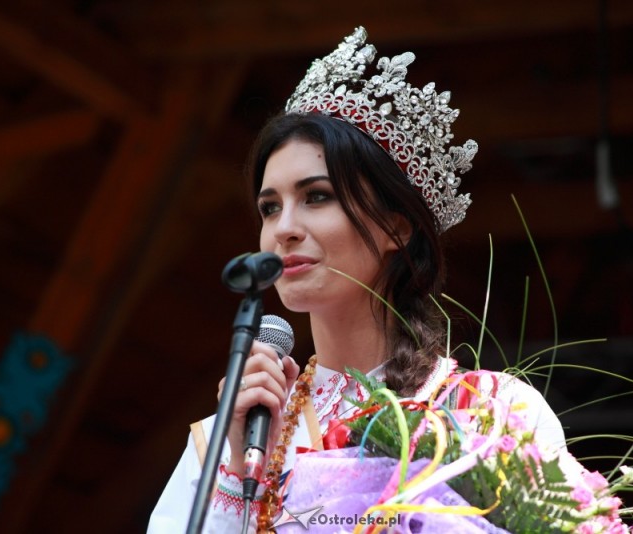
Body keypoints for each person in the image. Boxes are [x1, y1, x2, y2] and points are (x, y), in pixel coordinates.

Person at [148, 27, 566, 534]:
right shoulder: (230, 437)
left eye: (317, 196)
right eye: (269, 207)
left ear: (395, 226)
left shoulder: (492, 416)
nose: (284, 229)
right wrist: (237, 474)